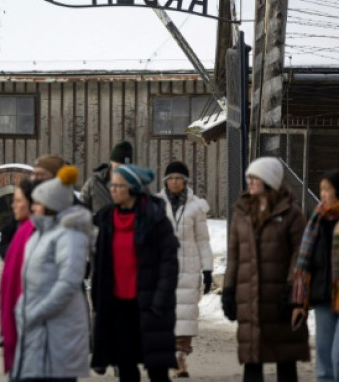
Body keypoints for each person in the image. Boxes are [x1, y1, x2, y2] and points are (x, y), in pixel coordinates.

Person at [222, 157, 308, 382]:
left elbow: (299, 256)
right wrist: (229, 290)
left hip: (280, 299)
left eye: (255, 177)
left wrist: (292, 292)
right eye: (249, 177)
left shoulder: (292, 214)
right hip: (249, 298)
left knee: (285, 360)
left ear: (269, 180)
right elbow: (234, 256)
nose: (249, 181)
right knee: (252, 360)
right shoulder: (241, 212)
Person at [91, 163, 178, 382]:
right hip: (118, 305)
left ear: (132, 188)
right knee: (125, 367)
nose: (112, 189)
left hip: (149, 304)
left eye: (118, 185)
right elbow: (100, 264)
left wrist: (160, 299)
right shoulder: (107, 219)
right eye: (111, 184)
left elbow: (169, 263)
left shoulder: (155, 218)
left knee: (157, 369)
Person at [11, 166, 92, 382]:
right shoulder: (40, 234)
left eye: (37, 203)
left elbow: (69, 282)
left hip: (60, 330)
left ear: (50, 206)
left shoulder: (70, 236)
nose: (33, 207)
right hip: (38, 327)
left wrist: (37, 311)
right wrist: (22, 309)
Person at [154, 161, 212, 377]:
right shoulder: (157, 205)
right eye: (171, 178)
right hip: (163, 267)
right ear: (165, 181)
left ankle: (181, 358)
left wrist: (207, 270)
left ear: (185, 182)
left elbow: (203, 240)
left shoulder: (196, 207)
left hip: (189, 266)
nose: (175, 181)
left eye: (179, 178)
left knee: (186, 315)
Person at [292, 169, 339, 382]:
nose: (323, 194)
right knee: (323, 363)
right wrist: (298, 302)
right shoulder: (317, 220)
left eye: (327, 189)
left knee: (337, 358)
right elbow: (305, 263)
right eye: (321, 189)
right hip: (323, 298)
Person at [0, 179, 36, 374]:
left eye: (18, 200)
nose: (13, 205)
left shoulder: (36, 234)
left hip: (32, 324)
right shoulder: (20, 228)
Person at [0, 155, 64, 259]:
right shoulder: (28, 192)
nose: (34, 178)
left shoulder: (65, 208)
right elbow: (6, 240)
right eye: (34, 174)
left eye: (40, 174)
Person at [82, 141, 133, 212]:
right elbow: (79, 211)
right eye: (117, 168)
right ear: (111, 163)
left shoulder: (135, 187)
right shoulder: (95, 183)